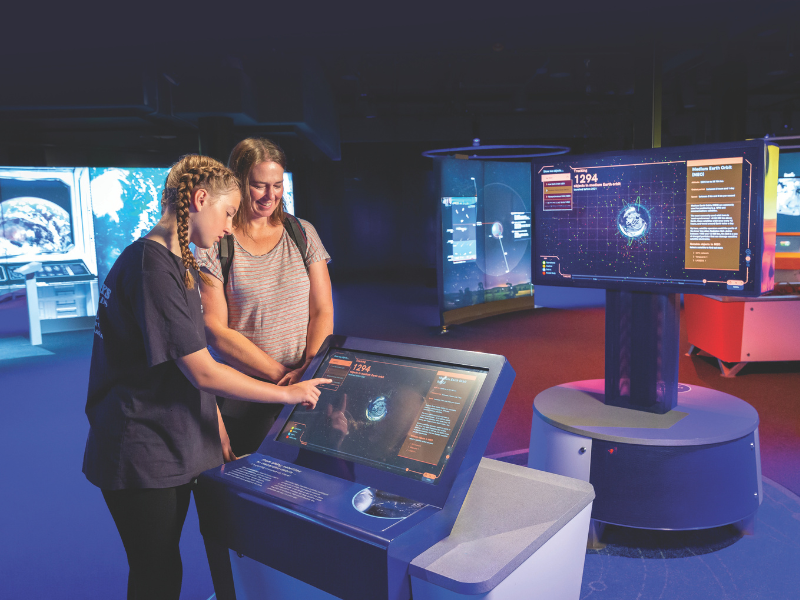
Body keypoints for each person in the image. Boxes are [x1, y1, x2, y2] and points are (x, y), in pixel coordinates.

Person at [82, 154, 329, 600]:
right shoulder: (151, 266)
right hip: (141, 448)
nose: (229, 227)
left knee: (166, 568)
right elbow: (202, 369)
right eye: (228, 213)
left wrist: (213, 426)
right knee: (156, 575)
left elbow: (184, 361)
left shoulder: (171, 263)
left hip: (171, 441)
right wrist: (288, 393)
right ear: (199, 200)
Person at [195, 138, 334, 456]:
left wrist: (309, 367)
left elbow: (322, 310)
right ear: (239, 183)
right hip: (245, 393)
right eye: (259, 186)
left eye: (277, 185)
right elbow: (214, 329)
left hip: (304, 386)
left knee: (308, 479)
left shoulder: (302, 232)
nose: (270, 195)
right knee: (250, 479)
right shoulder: (216, 242)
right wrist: (282, 378)